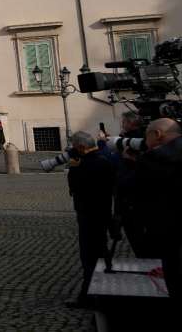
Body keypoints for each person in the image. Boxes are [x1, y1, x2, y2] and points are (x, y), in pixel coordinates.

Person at [130, 118, 182, 313]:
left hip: (167, 237)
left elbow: (135, 195)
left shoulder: (151, 161)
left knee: (177, 290)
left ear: (157, 134)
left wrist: (130, 164)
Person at [65, 131, 115, 307]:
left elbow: (75, 186)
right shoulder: (104, 159)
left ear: (80, 147)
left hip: (89, 214)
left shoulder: (87, 165)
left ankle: (88, 296)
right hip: (102, 212)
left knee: (89, 256)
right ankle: (103, 290)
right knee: (101, 252)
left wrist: (73, 167)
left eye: (73, 146)